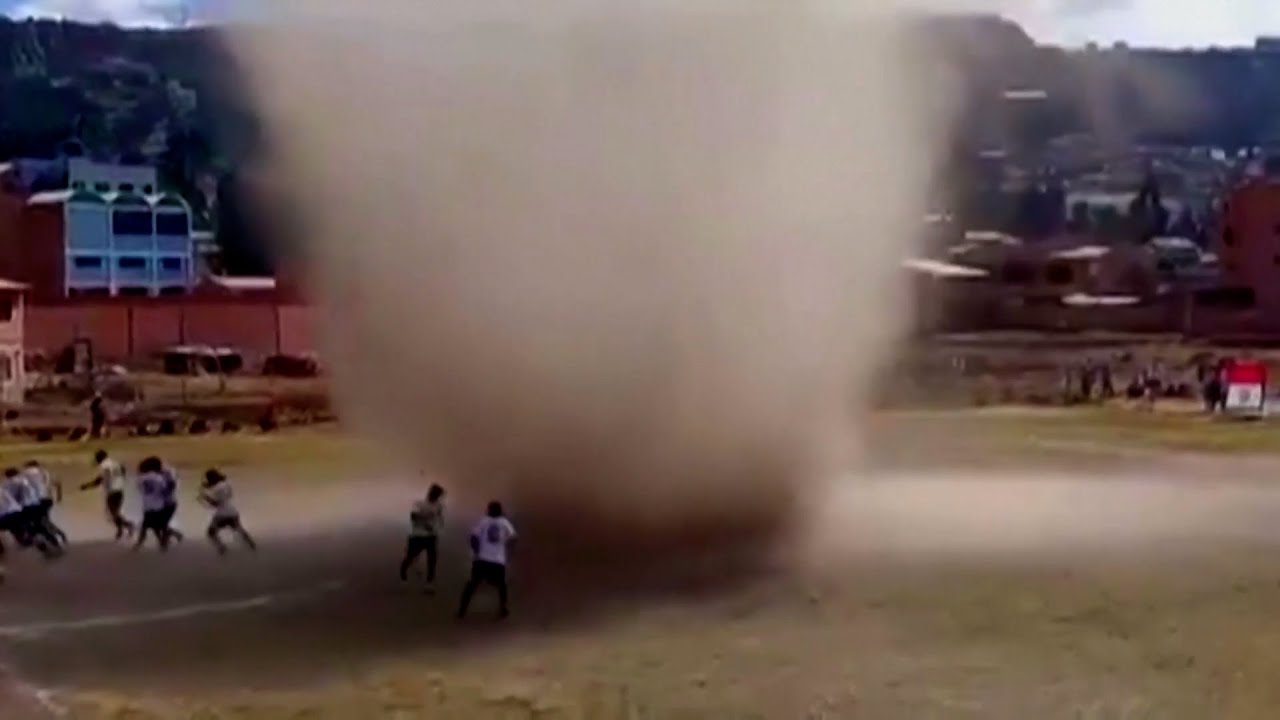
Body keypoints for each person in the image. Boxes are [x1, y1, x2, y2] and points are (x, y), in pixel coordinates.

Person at [457, 500, 516, 620]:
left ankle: (462, 610)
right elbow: (513, 537)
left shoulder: (483, 521)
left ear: (489, 510)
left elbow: (473, 537)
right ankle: (503, 608)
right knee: (501, 585)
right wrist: (506, 546)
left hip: (482, 559)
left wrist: (476, 552)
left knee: (472, 584)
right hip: (497, 560)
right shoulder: (504, 522)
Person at [3, 468, 60, 557]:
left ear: (7, 476)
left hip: (23, 508)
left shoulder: (8, 484)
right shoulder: (25, 479)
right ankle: (53, 542)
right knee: (38, 525)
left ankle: (42, 546)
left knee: (28, 530)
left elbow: (13, 497)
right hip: (36, 504)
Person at [198, 469, 256, 555]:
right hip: (232, 511)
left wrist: (205, 497)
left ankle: (222, 547)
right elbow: (228, 494)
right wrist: (208, 487)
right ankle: (251, 544)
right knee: (239, 529)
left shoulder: (216, 489)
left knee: (211, 532)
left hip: (221, 514)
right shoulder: (226, 484)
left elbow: (215, 503)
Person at [400, 484, 445, 591]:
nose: (437, 497)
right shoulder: (419, 504)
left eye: (438, 495)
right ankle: (403, 573)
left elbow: (439, 516)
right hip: (417, 535)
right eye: (435, 494)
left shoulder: (439, 506)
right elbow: (413, 517)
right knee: (410, 557)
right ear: (430, 493)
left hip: (431, 536)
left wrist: (439, 526)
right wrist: (426, 524)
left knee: (432, 560)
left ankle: (429, 583)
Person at [81, 450, 135, 540]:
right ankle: (120, 530)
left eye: (96, 458)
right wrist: (121, 480)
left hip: (112, 491)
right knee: (115, 512)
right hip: (119, 489)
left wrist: (87, 486)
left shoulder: (104, 465)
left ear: (99, 458)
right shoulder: (115, 463)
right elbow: (123, 470)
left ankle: (129, 525)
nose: (96, 460)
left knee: (113, 513)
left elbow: (99, 480)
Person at [133, 457, 172, 552]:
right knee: (161, 525)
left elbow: (140, 489)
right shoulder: (159, 478)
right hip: (159, 505)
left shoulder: (141, 478)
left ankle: (140, 543)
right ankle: (163, 542)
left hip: (147, 505)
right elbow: (165, 490)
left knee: (146, 526)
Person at [25, 461, 66, 546]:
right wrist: (59, 497)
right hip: (48, 500)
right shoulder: (45, 472)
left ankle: (53, 537)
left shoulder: (25, 474)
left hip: (35, 501)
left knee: (37, 521)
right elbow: (58, 484)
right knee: (43, 519)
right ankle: (58, 535)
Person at [158, 462, 184, 545]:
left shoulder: (166, 478)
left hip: (169, 504)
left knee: (162, 524)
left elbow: (171, 485)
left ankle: (166, 540)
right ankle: (173, 536)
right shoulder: (164, 477)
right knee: (161, 523)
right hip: (166, 504)